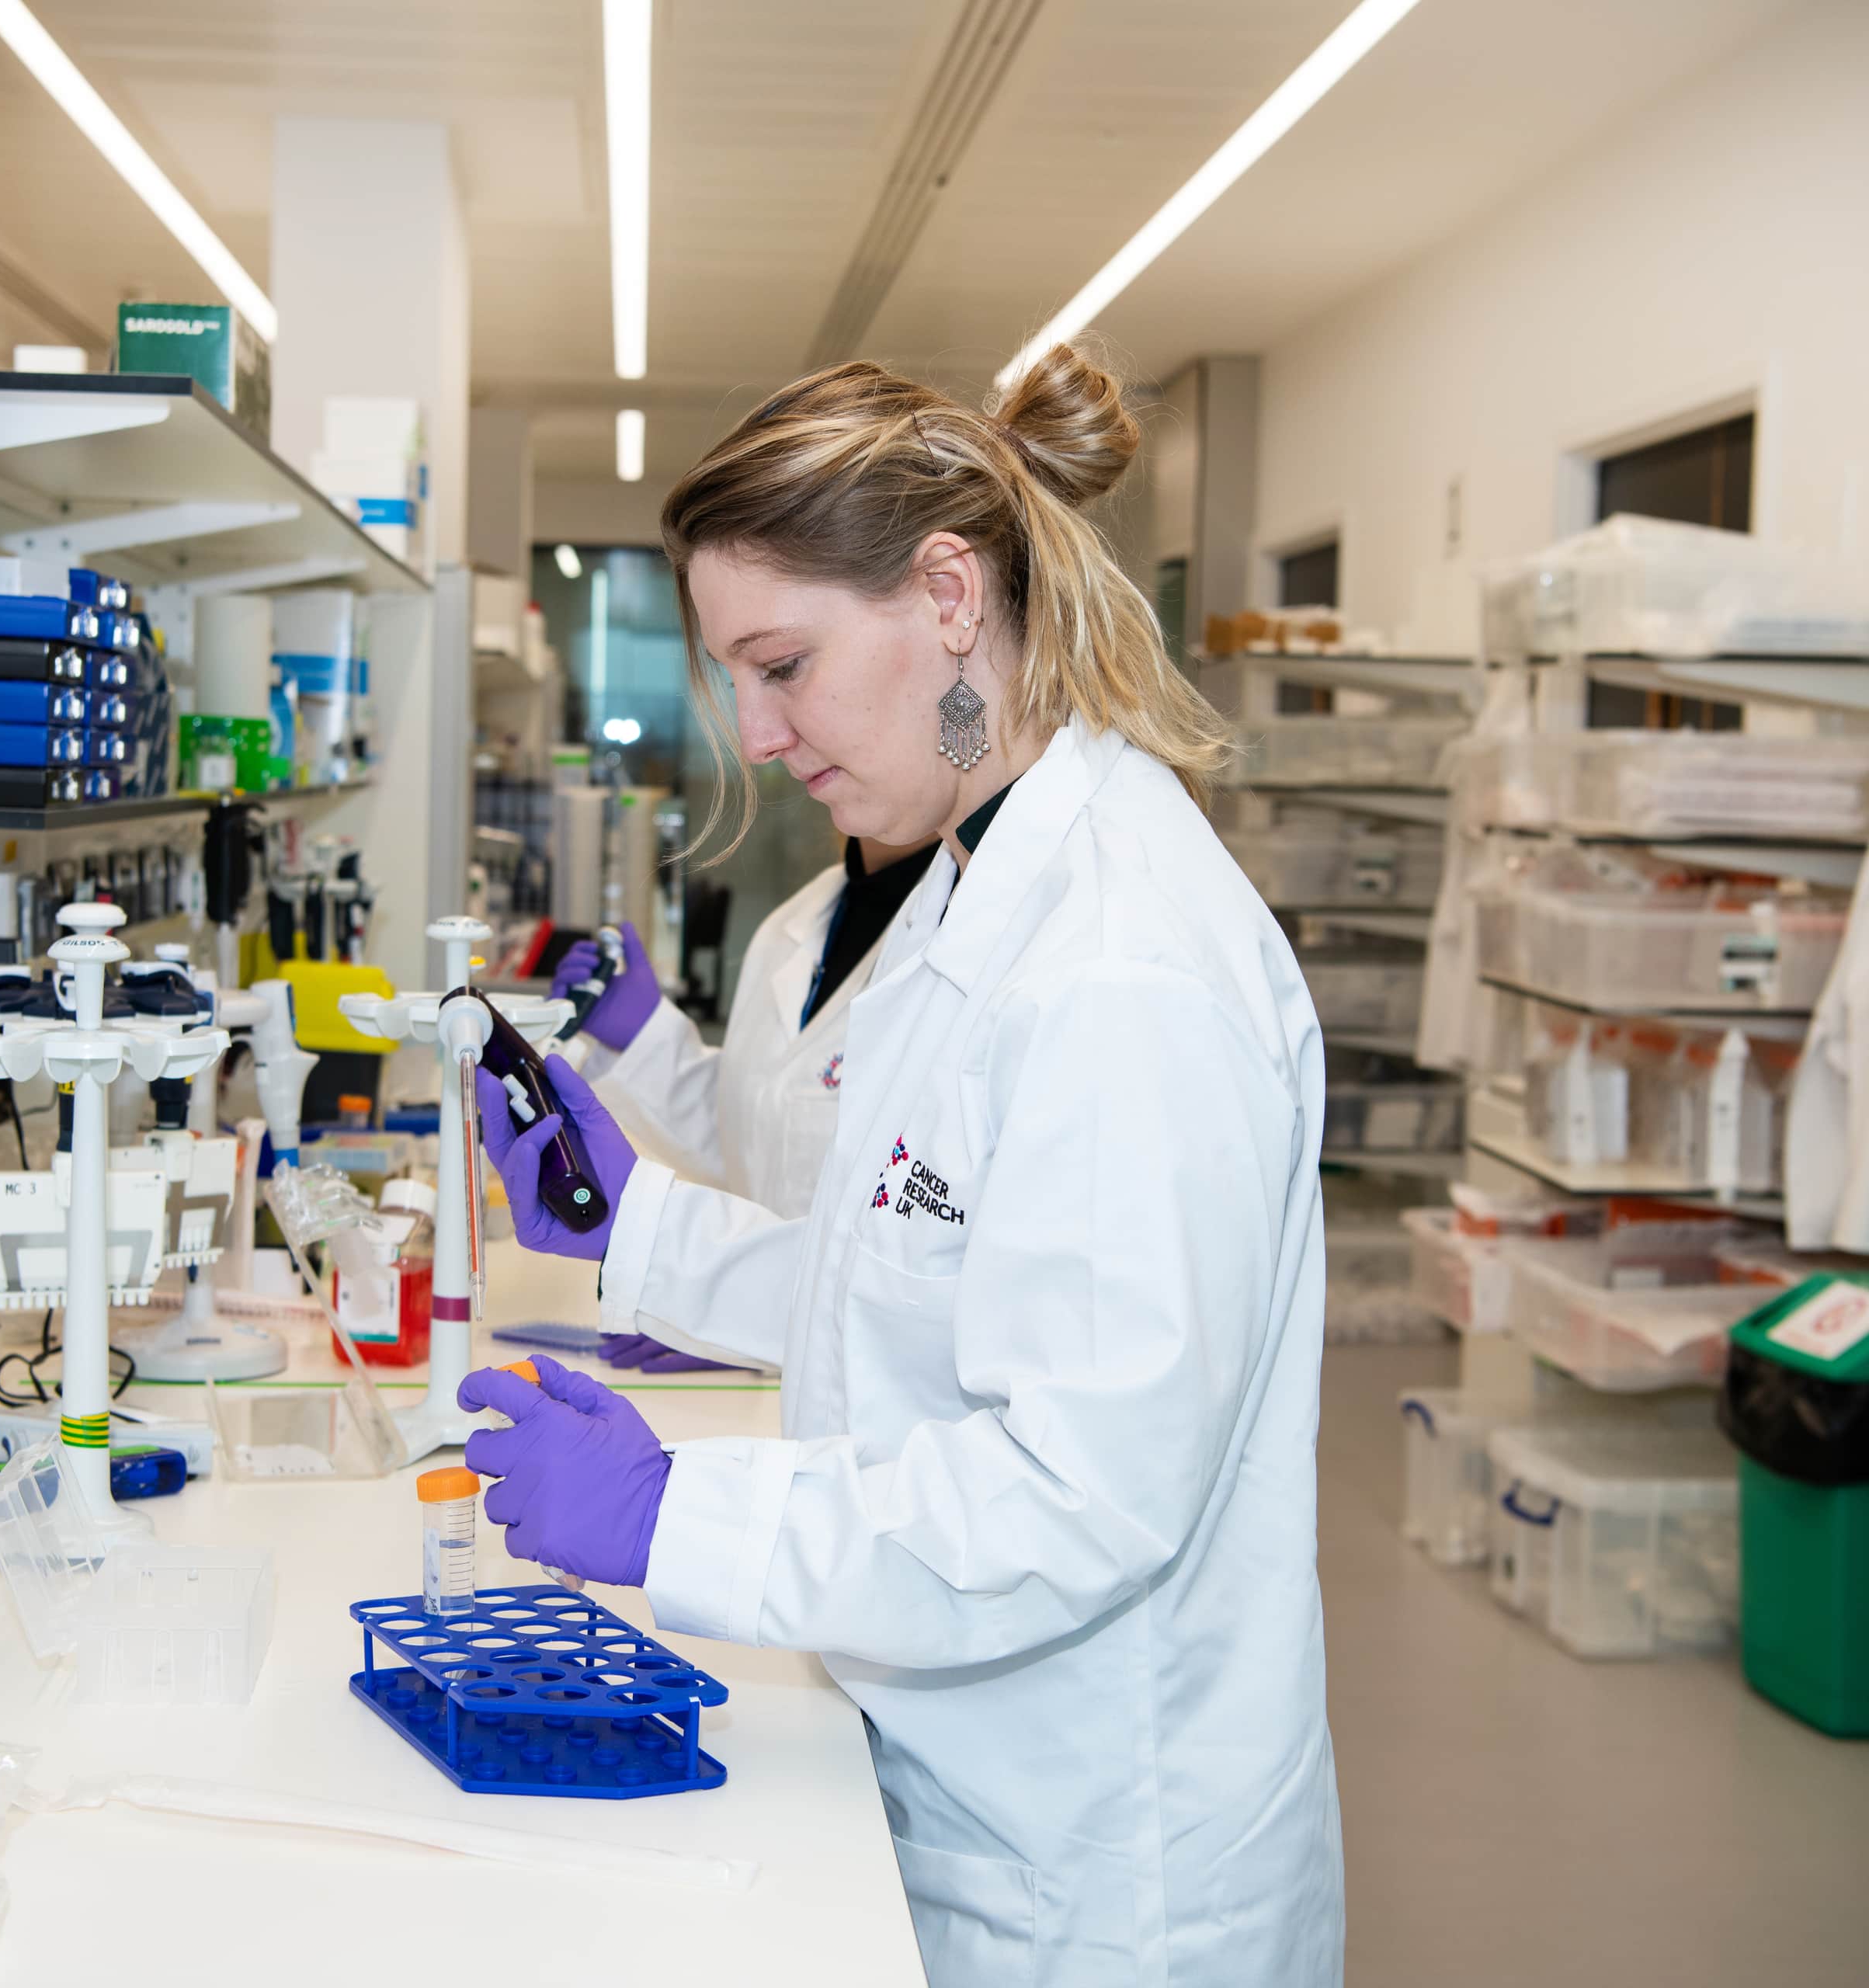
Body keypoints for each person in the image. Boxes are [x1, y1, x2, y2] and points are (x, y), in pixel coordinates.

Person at [462, 346, 1339, 1984]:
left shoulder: (1122, 965)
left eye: (782, 662)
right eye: (736, 672)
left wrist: (682, 1513)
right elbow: (903, 1276)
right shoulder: (965, 897)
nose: (757, 732)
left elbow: (1079, 1492)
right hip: (961, 1778)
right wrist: (632, 1223)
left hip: (1099, 1869)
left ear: (949, 592)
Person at [550, 834, 935, 1371]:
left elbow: (937, 1250)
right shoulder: (795, 922)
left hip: (880, 1396)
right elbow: (762, 1132)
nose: (767, 748)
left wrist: (746, 1317)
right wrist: (641, 1037)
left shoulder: (975, 931)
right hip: (776, 1384)